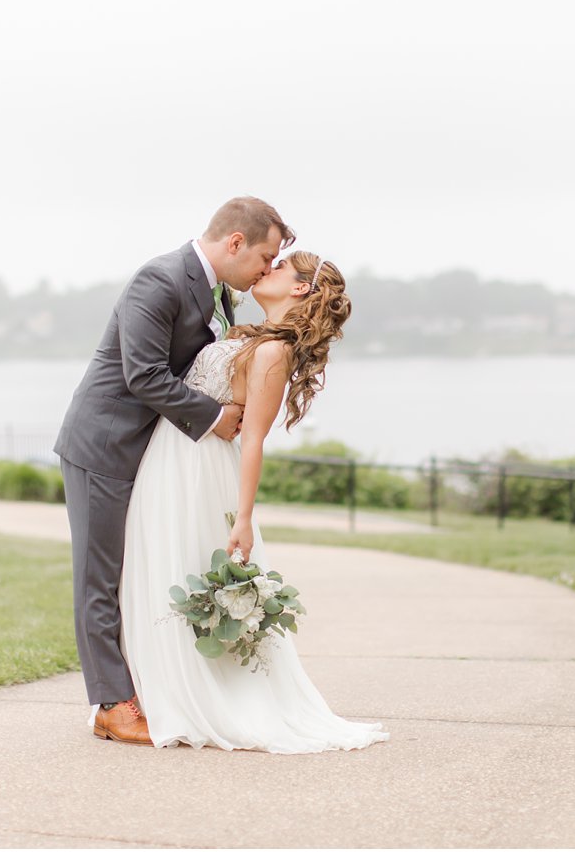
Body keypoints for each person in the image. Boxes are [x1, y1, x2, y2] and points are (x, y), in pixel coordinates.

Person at [114, 250, 390, 753]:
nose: (268, 270)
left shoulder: (273, 353)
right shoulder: (248, 335)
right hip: (170, 460)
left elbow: (254, 439)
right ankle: (160, 691)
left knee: (180, 568)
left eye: (279, 267)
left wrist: (243, 518)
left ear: (301, 288)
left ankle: (192, 696)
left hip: (200, 472)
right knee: (155, 568)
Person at [55, 196, 291, 745]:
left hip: (150, 454)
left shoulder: (219, 295)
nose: (265, 269)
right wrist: (217, 418)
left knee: (136, 571)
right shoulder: (158, 280)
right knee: (100, 578)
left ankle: (142, 687)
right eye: (264, 256)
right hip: (104, 445)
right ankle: (112, 705)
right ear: (235, 243)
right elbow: (142, 375)